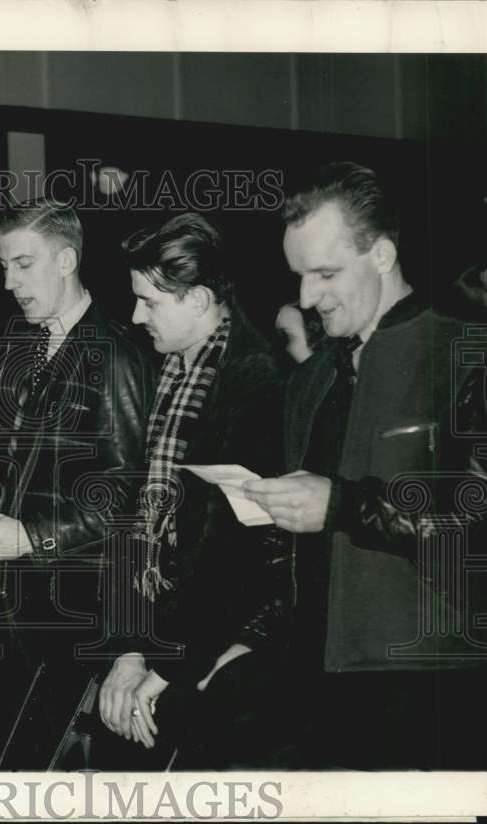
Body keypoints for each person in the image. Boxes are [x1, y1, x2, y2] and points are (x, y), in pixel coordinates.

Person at [243, 162, 487, 769]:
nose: (306, 297)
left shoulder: (471, 355)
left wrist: (344, 504)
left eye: (326, 274)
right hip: (312, 685)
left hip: (427, 687)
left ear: (382, 255)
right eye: (299, 276)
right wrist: (248, 639)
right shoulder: (310, 380)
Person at [0, 199, 156, 769]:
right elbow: (5, 467)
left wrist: (35, 536)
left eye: (23, 264)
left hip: (78, 626)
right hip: (18, 616)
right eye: (5, 266)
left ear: (66, 260)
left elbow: (127, 496)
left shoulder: (116, 355)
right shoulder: (27, 348)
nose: (9, 282)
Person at [97, 213, 290, 770]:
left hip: (208, 660)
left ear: (200, 299)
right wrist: (129, 650)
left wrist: (155, 664)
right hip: (156, 646)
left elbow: (234, 555)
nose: (136, 316)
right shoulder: (169, 374)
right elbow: (134, 526)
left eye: (150, 302)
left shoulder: (256, 385)